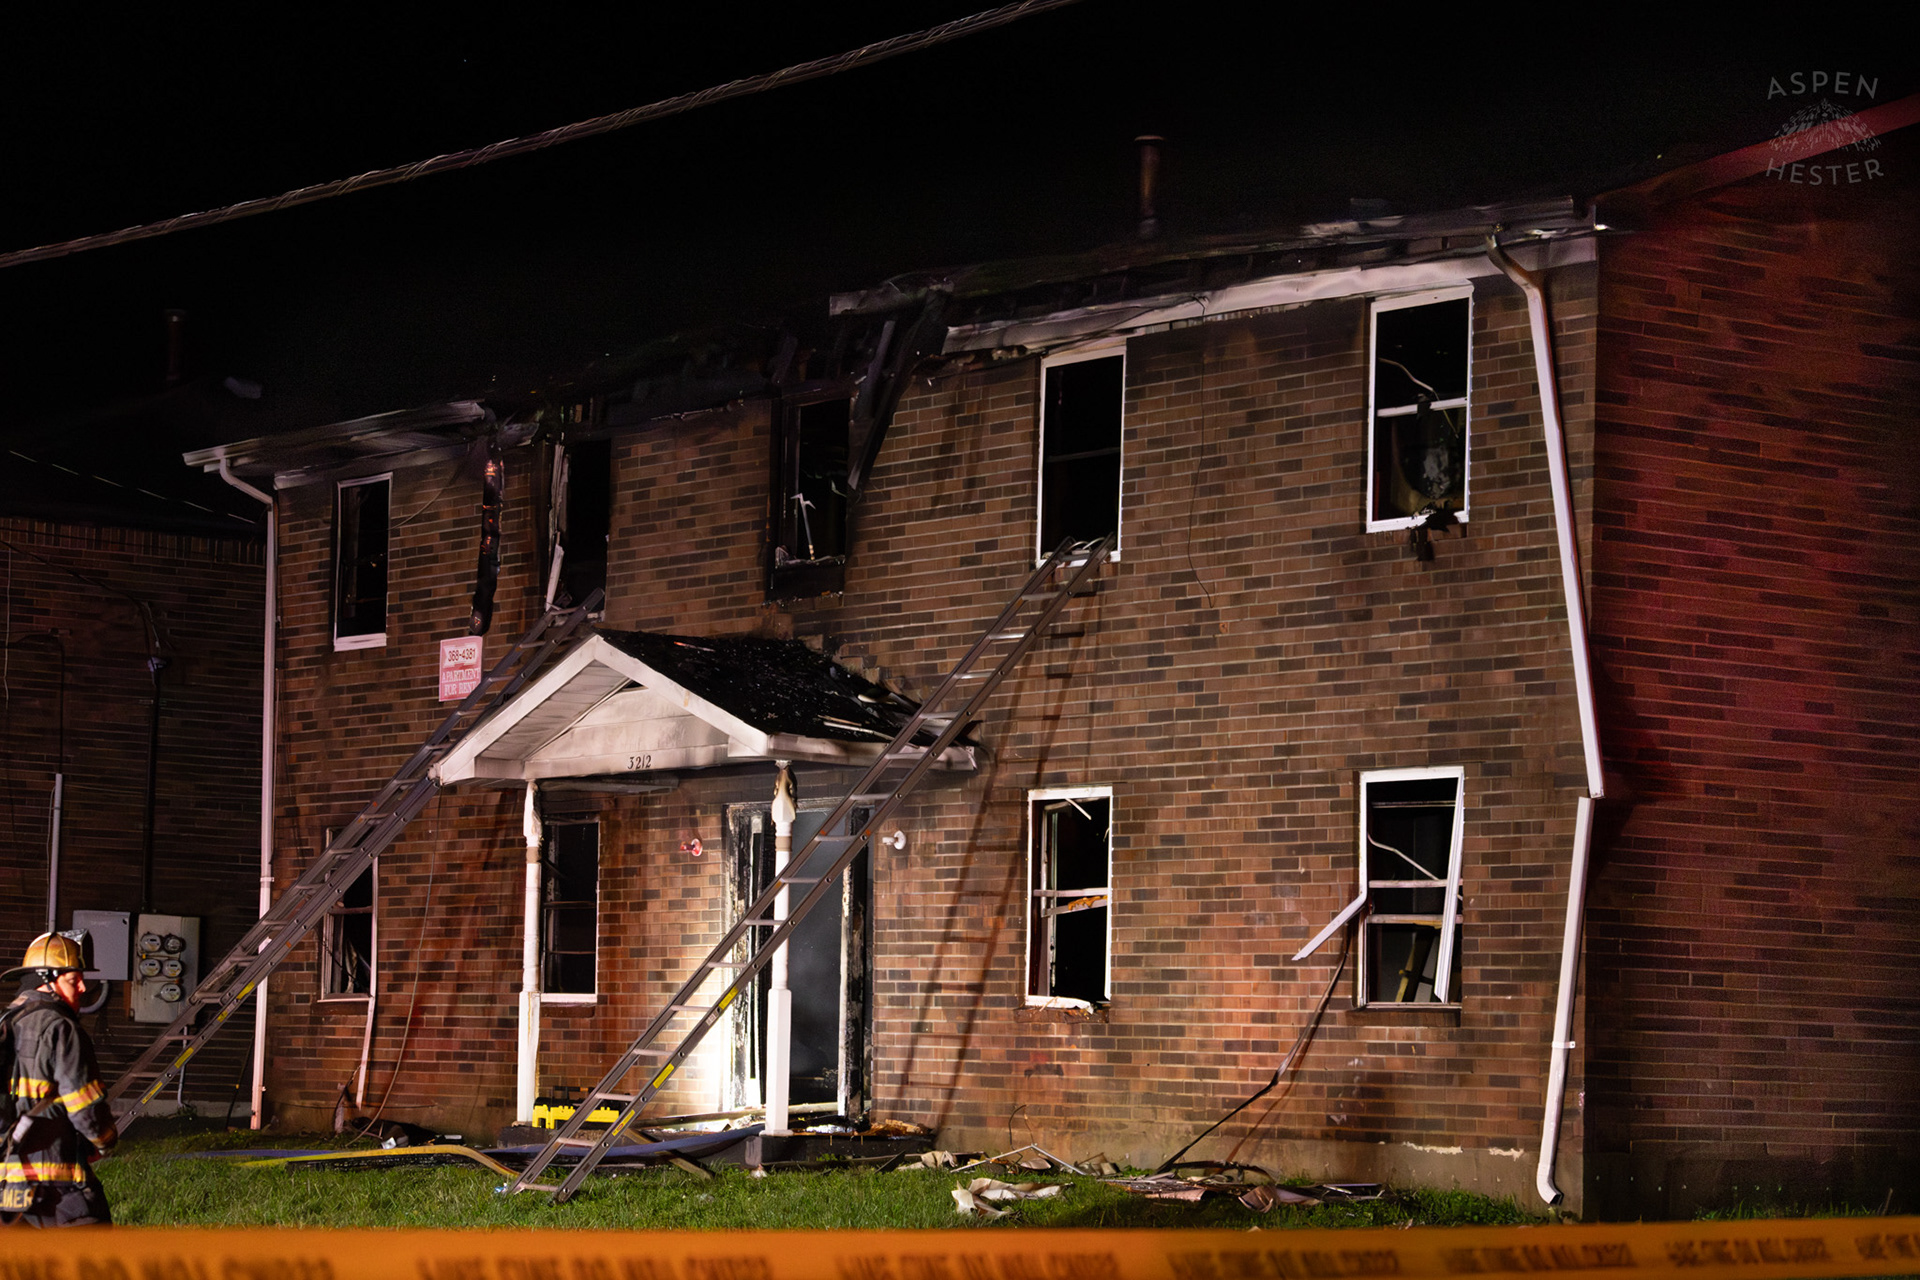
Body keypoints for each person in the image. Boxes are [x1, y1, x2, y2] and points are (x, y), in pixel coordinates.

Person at [2, 931, 117, 1226]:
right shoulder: (61, 1028)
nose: (82, 987)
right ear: (47, 980)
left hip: (8, 1191)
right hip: (59, 1191)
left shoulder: (6, 1022)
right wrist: (104, 1141)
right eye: (73, 979)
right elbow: (85, 1110)